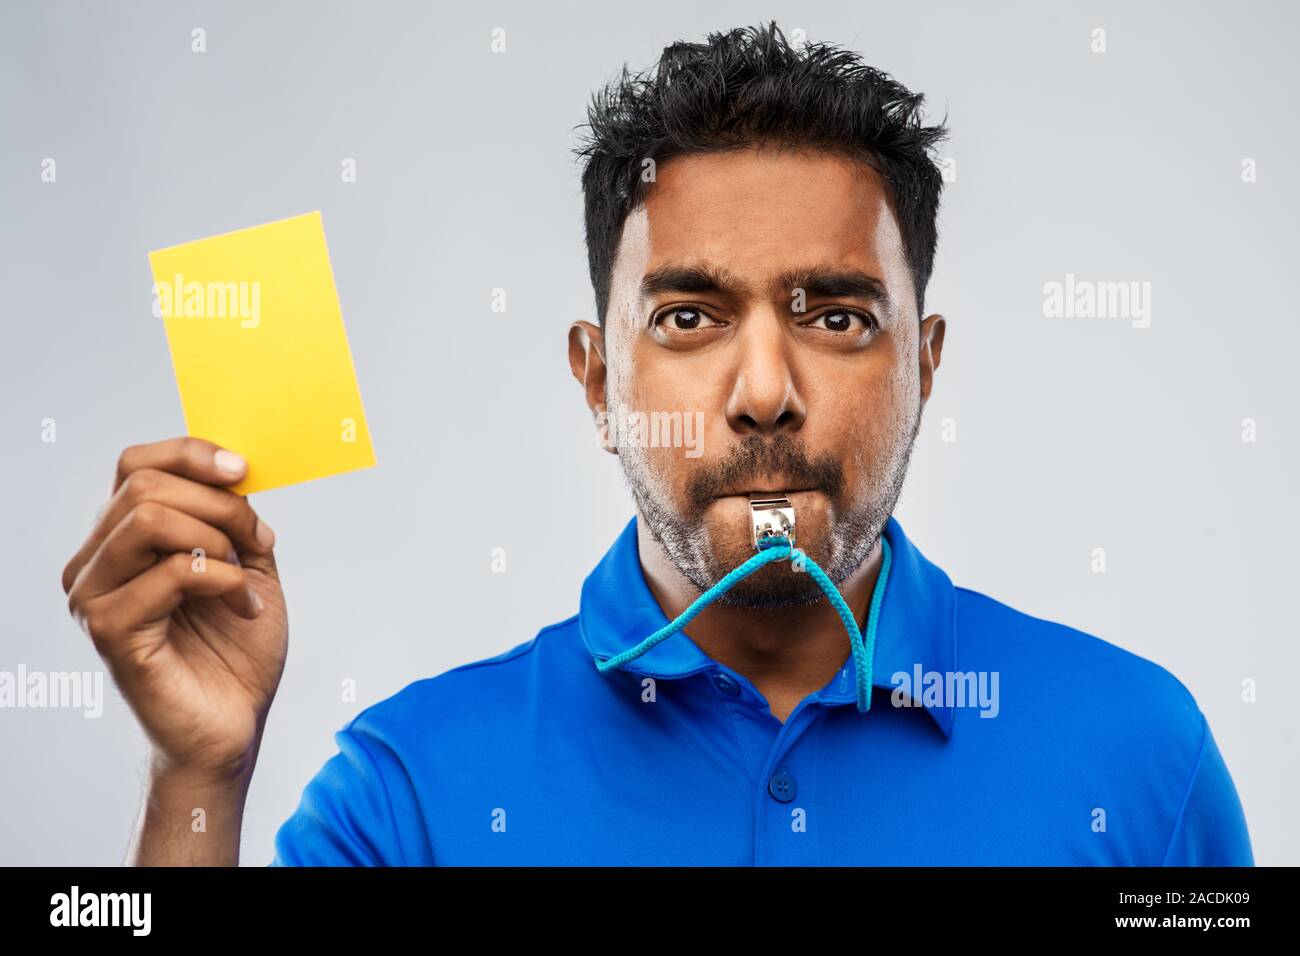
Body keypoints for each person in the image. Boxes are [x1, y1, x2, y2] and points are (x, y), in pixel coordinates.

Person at [62, 21, 1252, 866]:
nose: (764, 390)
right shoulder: (412, 793)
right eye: (688, 317)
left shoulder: (1139, 754)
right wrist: (198, 780)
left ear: (924, 362)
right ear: (595, 377)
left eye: (834, 315)